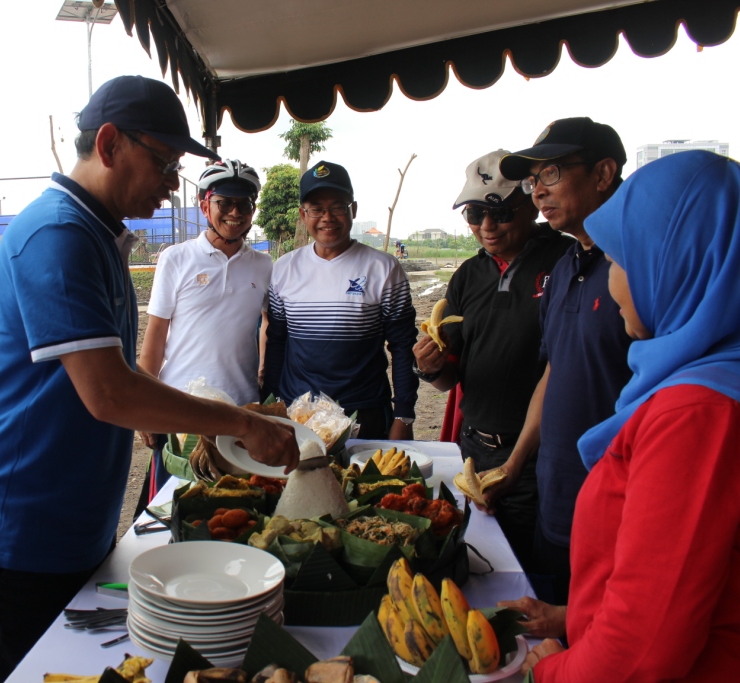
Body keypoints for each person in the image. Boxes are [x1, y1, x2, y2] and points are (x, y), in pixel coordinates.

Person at [0, 76, 299, 683]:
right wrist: (237, 422)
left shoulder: (98, 236)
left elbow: (126, 379)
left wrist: (238, 415)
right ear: (109, 144)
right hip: (18, 531)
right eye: (163, 162)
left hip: (72, 523)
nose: (171, 183)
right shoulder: (59, 234)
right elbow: (111, 391)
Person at [524, 150, 740, 681]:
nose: (611, 283)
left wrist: (551, 674)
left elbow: (642, 651)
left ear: (681, 262)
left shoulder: (700, 412)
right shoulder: (713, 382)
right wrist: (576, 618)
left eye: (622, 261)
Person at [487, 118, 634, 611]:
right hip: (555, 490)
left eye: (550, 173)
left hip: (617, 502)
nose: (537, 193)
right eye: (533, 182)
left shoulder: (640, 270)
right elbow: (555, 371)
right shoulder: (566, 267)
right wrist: (515, 463)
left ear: (603, 172)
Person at [412, 150, 573, 570]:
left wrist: (517, 463)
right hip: (474, 449)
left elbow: (566, 371)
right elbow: (450, 378)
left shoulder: (566, 262)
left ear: (530, 205)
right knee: (477, 564)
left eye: (498, 213)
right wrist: (429, 367)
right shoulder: (468, 274)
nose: (486, 227)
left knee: (529, 571)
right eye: (474, 214)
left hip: (540, 458)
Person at [139, 160, 273, 497]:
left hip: (240, 410)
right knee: (175, 512)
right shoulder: (176, 258)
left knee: (235, 513)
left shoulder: (263, 264)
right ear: (204, 206)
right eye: (224, 202)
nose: (235, 212)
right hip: (179, 411)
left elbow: (268, 324)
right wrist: (145, 410)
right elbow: (154, 340)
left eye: (244, 204)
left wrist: (261, 372)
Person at [264, 160, 417, 440]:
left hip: (364, 412)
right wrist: (271, 406)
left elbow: (403, 346)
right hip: (298, 415)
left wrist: (403, 415)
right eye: (317, 209)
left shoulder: (384, 269)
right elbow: (277, 342)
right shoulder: (283, 269)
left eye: (337, 206)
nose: (327, 217)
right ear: (303, 214)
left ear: (353, 210)